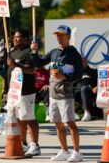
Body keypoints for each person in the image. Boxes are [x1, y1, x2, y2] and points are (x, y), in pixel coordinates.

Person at [30, 25, 83, 162]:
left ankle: (77, 152)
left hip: (66, 93)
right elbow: (39, 63)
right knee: (58, 124)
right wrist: (34, 52)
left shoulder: (73, 53)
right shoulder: (54, 52)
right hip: (53, 94)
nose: (59, 38)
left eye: (62, 35)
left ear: (69, 37)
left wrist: (65, 76)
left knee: (70, 123)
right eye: (57, 35)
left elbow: (79, 75)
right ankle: (64, 150)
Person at [7, 30, 41, 156]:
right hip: (15, 91)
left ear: (26, 39)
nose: (15, 40)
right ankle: (24, 144)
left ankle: (35, 145)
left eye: (19, 37)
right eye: (14, 38)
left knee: (29, 118)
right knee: (20, 119)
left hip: (26, 91)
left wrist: (16, 64)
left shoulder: (29, 53)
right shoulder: (12, 51)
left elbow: (31, 70)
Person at [74, 57, 99, 121]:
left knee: (84, 88)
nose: (83, 62)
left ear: (87, 62)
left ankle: (87, 113)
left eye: (84, 61)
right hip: (77, 91)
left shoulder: (94, 71)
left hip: (89, 91)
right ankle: (71, 113)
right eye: (81, 61)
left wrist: (97, 87)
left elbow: (101, 82)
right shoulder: (75, 73)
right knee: (67, 90)